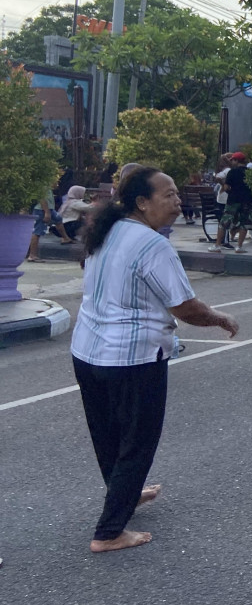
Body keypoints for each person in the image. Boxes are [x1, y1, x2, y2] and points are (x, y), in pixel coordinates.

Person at [70, 166, 239, 552]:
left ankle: (124, 496)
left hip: (88, 352)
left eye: (178, 193)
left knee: (108, 435)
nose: (177, 201)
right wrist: (221, 318)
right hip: (132, 358)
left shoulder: (106, 232)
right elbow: (186, 307)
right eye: (168, 194)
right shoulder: (153, 246)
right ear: (142, 203)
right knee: (137, 442)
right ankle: (109, 532)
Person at [208, 153, 252, 254]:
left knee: (224, 222)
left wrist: (225, 187)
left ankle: (217, 245)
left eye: (233, 160)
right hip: (247, 200)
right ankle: (239, 247)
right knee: (244, 224)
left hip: (233, 200)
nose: (231, 162)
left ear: (237, 161)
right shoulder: (250, 173)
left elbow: (226, 187)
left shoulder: (232, 172)